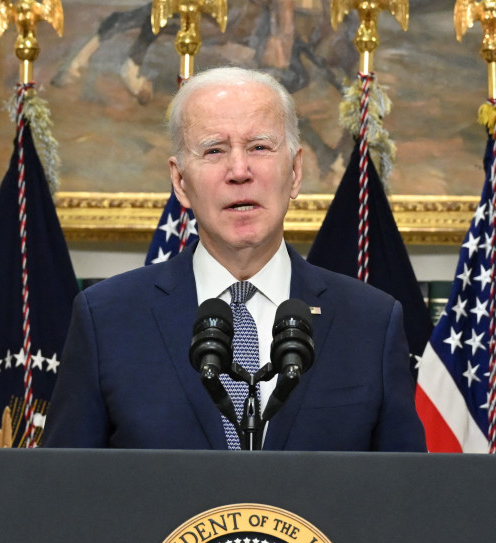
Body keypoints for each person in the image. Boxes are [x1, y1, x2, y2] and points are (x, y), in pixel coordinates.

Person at [41, 67, 423, 451]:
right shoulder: (106, 320)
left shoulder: (371, 322)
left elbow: (407, 498)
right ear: (180, 182)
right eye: (214, 150)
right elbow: (63, 493)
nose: (239, 171)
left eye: (259, 147)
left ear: (294, 171)